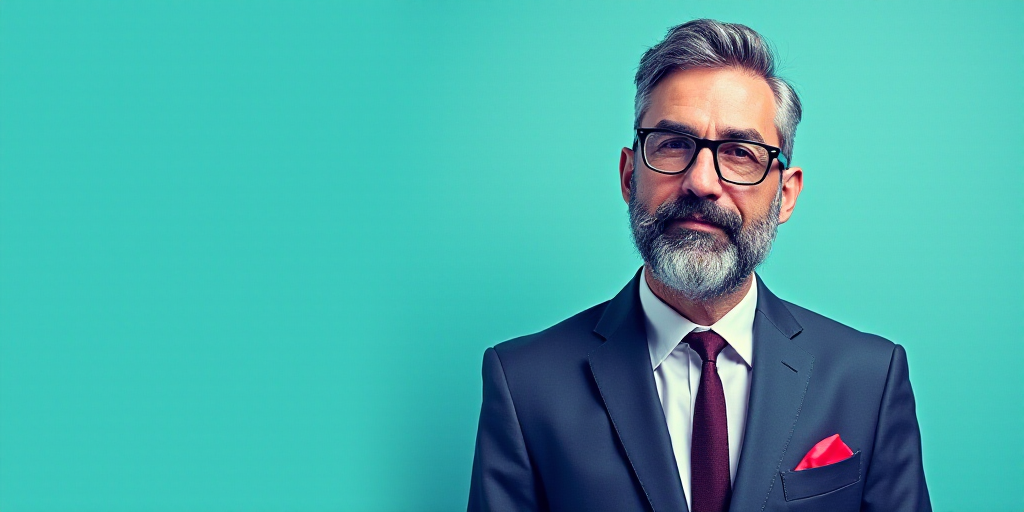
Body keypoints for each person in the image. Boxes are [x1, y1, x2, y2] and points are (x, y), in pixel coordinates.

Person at [467, 18, 930, 512]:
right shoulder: (524, 384)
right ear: (629, 175)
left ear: (786, 194)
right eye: (673, 144)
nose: (702, 182)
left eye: (740, 153)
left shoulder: (869, 378)